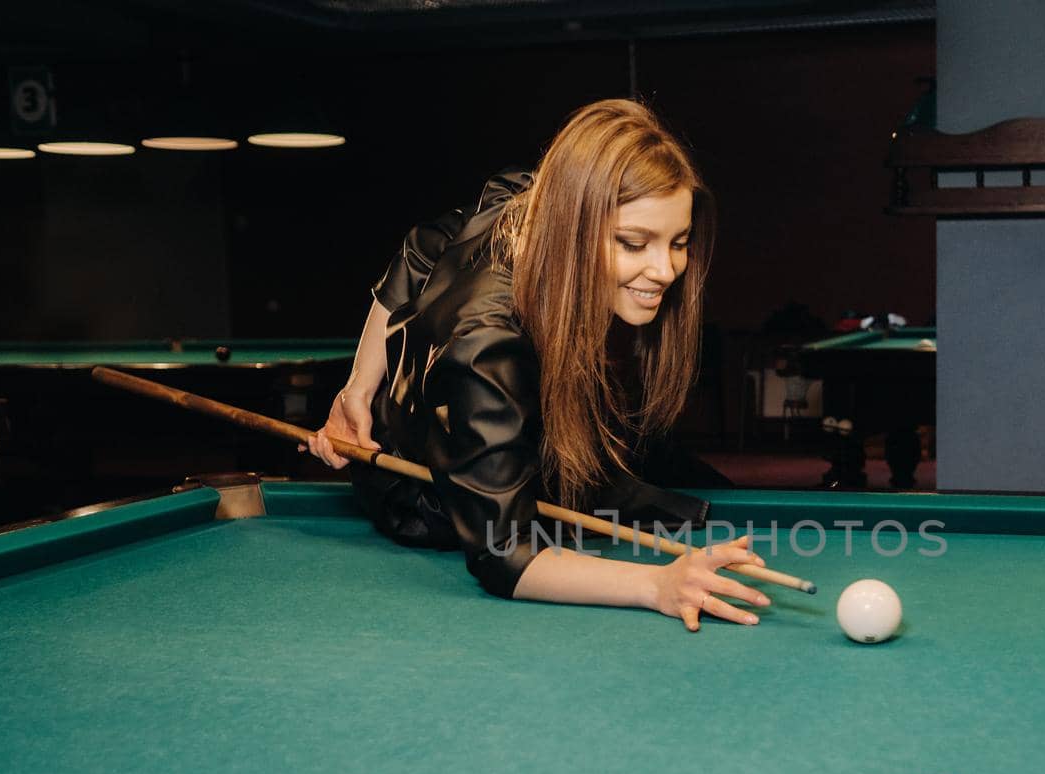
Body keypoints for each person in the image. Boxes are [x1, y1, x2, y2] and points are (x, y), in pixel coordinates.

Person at [304, 99, 765, 632]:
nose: (665, 270)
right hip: (435, 487)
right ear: (572, 226)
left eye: (678, 243)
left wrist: (356, 389)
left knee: (676, 476)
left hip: (526, 416)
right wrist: (656, 585)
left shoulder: (529, 195)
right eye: (634, 243)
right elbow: (505, 555)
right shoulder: (486, 345)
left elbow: (419, 248)